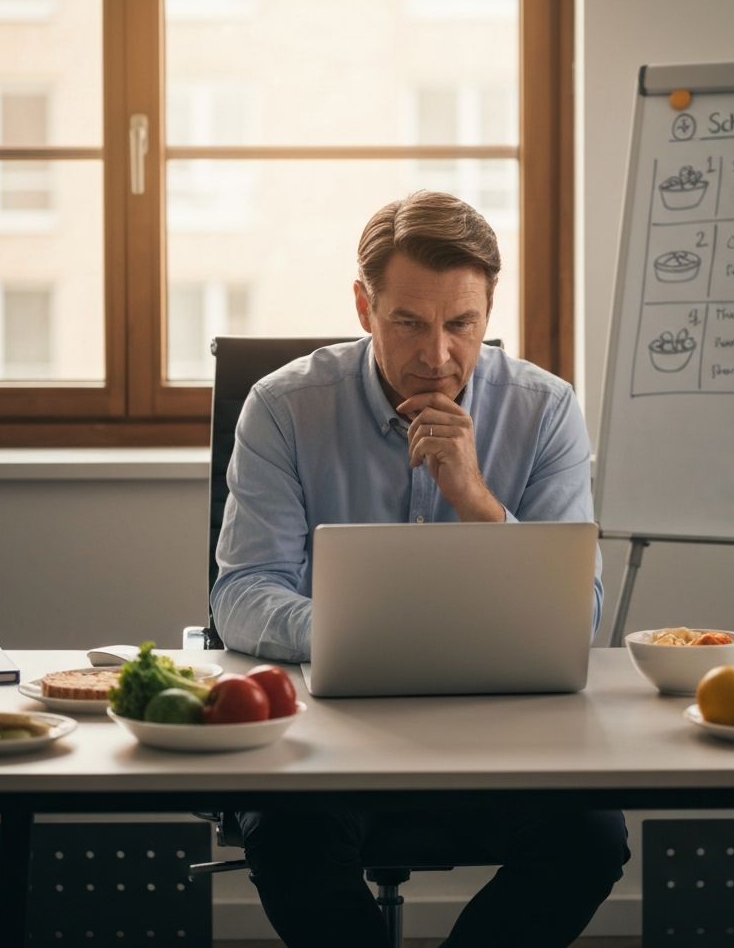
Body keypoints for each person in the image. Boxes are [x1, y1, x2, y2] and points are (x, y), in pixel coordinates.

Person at [211, 190, 629, 947]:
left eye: (461, 324)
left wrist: (474, 498)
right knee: (290, 838)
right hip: (328, 732)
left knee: (590, 841)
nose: (437, 355)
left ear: (489, 311)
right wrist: (360, 635)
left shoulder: (547, 410)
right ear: (364, 306)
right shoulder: (283, 407)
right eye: (408, 321)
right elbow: (240, 593)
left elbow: (580, 616)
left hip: (500, 734)